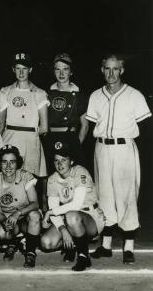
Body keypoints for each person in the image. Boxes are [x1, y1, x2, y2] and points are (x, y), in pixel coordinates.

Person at [86, 54, 151, 264]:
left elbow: (146, 127)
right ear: (102, 70)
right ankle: (105, 246)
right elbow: (90, 126)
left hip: (125, 148)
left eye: (115, 69)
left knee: (126, 196)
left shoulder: (134, 95)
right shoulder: (96, 95)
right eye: (107, 68)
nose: (111, 73)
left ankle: (128, 247)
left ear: (122, 71)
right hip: (102, 148)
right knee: (104, 196)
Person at [40, 143, 105, 271]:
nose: (60, 164)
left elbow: (77, 204)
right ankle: (74, 245)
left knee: (71, 215)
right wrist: (64, 231)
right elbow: (54, 209)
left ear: (72, 161)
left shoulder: (80, 172)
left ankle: (83, 255)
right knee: (46, 242)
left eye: (64, 160)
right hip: (70, 219)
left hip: (91, 217)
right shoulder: (52, 179)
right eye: (56, 160)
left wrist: (50, 212)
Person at [0, 145, 41, 267]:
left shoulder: (26, 177)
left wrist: (18, 213)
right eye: (4, 162)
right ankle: (15, 240)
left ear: (18, 163)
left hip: (25, 215)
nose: (8, 166)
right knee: (1, 233)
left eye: (12, 162)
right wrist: (5, 222)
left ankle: (30, 252)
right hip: (7, 216)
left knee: (35, 215)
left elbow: (35, 203)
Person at [1, 53, 49, 177]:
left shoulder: (39, 93)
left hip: (30, 140)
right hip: (10, 138)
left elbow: (44, 127)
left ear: (30, 70)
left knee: (29, 179)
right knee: (8, 175)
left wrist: (28, 133)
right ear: (13, 70)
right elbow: (0, 121)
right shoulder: (5, 92)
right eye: (18, 68)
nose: (21, 72)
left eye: (25, 68)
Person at [42, 53, 89, 173]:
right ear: (53, 71)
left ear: (71, 72)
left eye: (65, 69)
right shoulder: (46, 93)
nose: (61, 74)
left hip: (70, 137)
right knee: (50, 175)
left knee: (74, 175)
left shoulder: (79, 95)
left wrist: (76, 145)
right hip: (51, 138)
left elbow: (85, 125)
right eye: (58, 69)